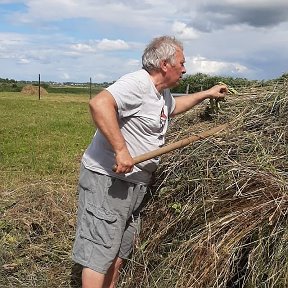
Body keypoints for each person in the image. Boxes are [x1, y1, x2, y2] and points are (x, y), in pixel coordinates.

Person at [72, 35, 227, 288]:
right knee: (98, 255)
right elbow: (99, 104)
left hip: (136, 184)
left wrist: (206, 94)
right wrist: (121, 150)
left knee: (117, 255)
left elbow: (174, 107)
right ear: (165, 64)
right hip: (109, 180)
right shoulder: (137, 83)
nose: (185, 69)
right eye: (182, 62)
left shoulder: (161, 94)